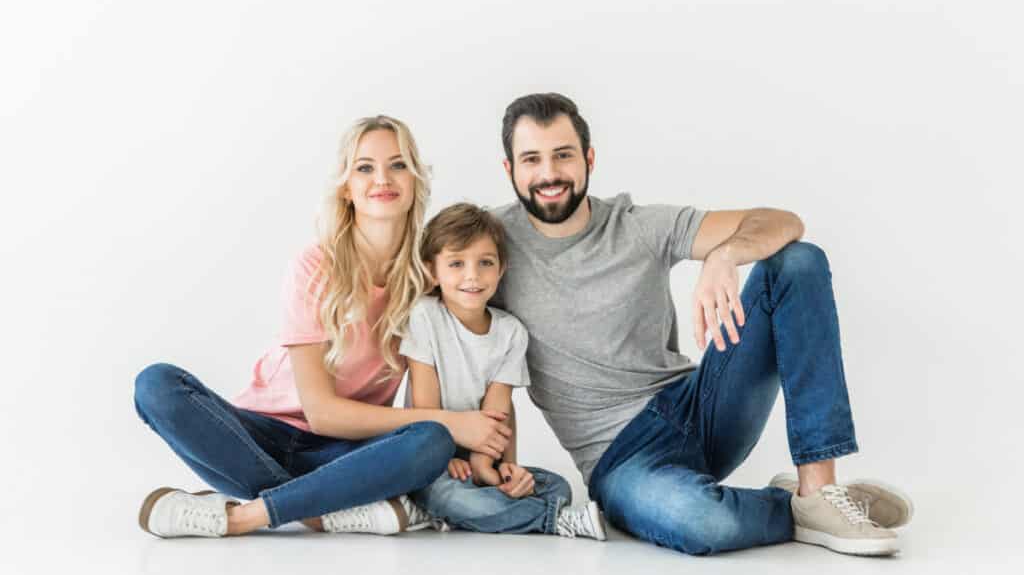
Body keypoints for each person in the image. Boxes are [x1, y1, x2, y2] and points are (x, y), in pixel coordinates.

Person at [489, 93, 915, 557]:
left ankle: (818, 486)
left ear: (588, 159)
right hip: (621, 460)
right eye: (532, 159)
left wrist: (726, 254)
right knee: (701, 522)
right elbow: (432, 293)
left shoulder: (637, 226)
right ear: (510, 169)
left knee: (797, 262)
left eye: (563, 155)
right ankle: (806, 507)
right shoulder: (493, 248)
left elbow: (783, 221)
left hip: (700, 408)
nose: (549, 173)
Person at [133, 116, 513, 538]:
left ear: (416, 182)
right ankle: (323, 507)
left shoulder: (431, 278)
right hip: (260, 438)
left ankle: (248, 514)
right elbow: (322, 413)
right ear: (346, 188)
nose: (382, 178)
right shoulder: (314, 266)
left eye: (398, 164)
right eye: (365, 167)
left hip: (346, 452)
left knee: (430, 442)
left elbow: (484, 339)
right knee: (156, 384)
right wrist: (452, 420)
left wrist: (467, 439)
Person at [399, 203, 605, 540]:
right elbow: (424, 409)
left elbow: (498, 410)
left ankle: (467, 511)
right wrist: (443, 457)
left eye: (485, 263)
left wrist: (498, 467)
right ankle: (554, 521)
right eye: (456, 264)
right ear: (432, 271)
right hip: (431, 453)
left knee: (557, 485)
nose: (472, 276)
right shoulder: (425, 316)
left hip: (484, 450)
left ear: (501, 268)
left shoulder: (511, 333)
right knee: (450, 494)